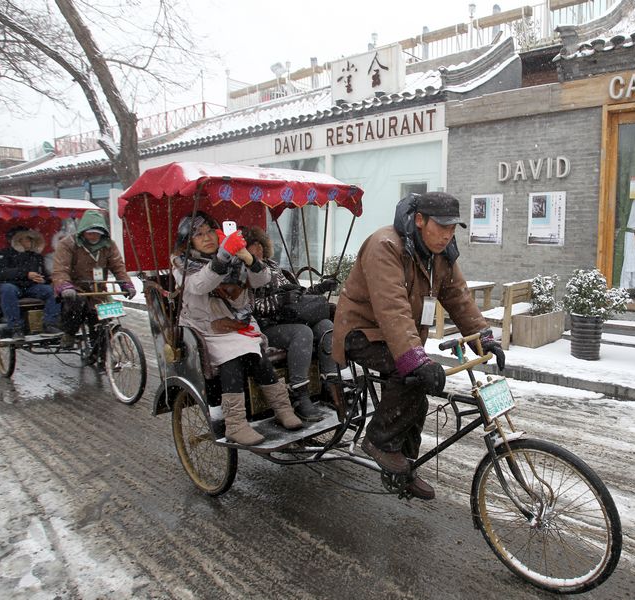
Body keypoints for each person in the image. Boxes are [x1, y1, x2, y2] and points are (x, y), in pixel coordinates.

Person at [332, 192, 505, 500]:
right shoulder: (385, 245)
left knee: (418, 399)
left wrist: (484, 337)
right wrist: (416, 360)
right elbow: (391, 308)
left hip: (398, 336)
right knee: (411, 376)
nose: (447, 235)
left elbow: (458, 296)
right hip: (363, 331)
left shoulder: (440, 253)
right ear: (420, 220)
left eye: (453, 228)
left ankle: (403, 469)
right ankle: (379, 441)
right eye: (441, 227)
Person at [172, 212, 302, 446]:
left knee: (259, 358)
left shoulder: (232, 255)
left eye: (210, 231)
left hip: (238, 323)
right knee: (232, 360)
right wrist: (223, 255)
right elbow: (201, 284)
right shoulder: (182, 264)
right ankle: (235, 424)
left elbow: (262, 280)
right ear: (188, 241)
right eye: (199, 235)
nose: (207, 238)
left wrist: (248, 258)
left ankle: (283, 408)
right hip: (206, 328)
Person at [243, 227, 340, 422]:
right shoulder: (243, 272)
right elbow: (251, 307)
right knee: (302, 333)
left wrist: (321, 287)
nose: (258, 249)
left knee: (326, 325)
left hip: (290, 318)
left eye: (260, 244)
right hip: (266, 326)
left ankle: (330, 384)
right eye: (252, 246)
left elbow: (299, 296)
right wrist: (281, 301)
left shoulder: (274, 266)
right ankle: (299, 393)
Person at [52, 210, 136, 350]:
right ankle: (69, 333)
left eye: (97, 232)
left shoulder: (108, 245)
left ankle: (103, 354)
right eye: (90, 232)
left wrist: (126, 284)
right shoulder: (68, 244)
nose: (93, 236)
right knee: (77, 306)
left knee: (102, 320)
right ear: (83, 231)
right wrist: (65, 286)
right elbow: (61, 269)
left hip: (98, 289)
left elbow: (118, 266)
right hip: (75, 288)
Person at [0, 227, 63, 340]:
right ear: (17, 241)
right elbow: (1, 273)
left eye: (30, 239)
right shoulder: (4, 254)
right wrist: (26, 274)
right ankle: (15, 327)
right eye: (26, 239)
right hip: (12, 286)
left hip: (32, 287)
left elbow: (43, 274)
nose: (29, 242)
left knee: (53, 290)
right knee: (7, 289)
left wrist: (44, 280)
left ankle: (50, 324)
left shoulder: (36, 256)